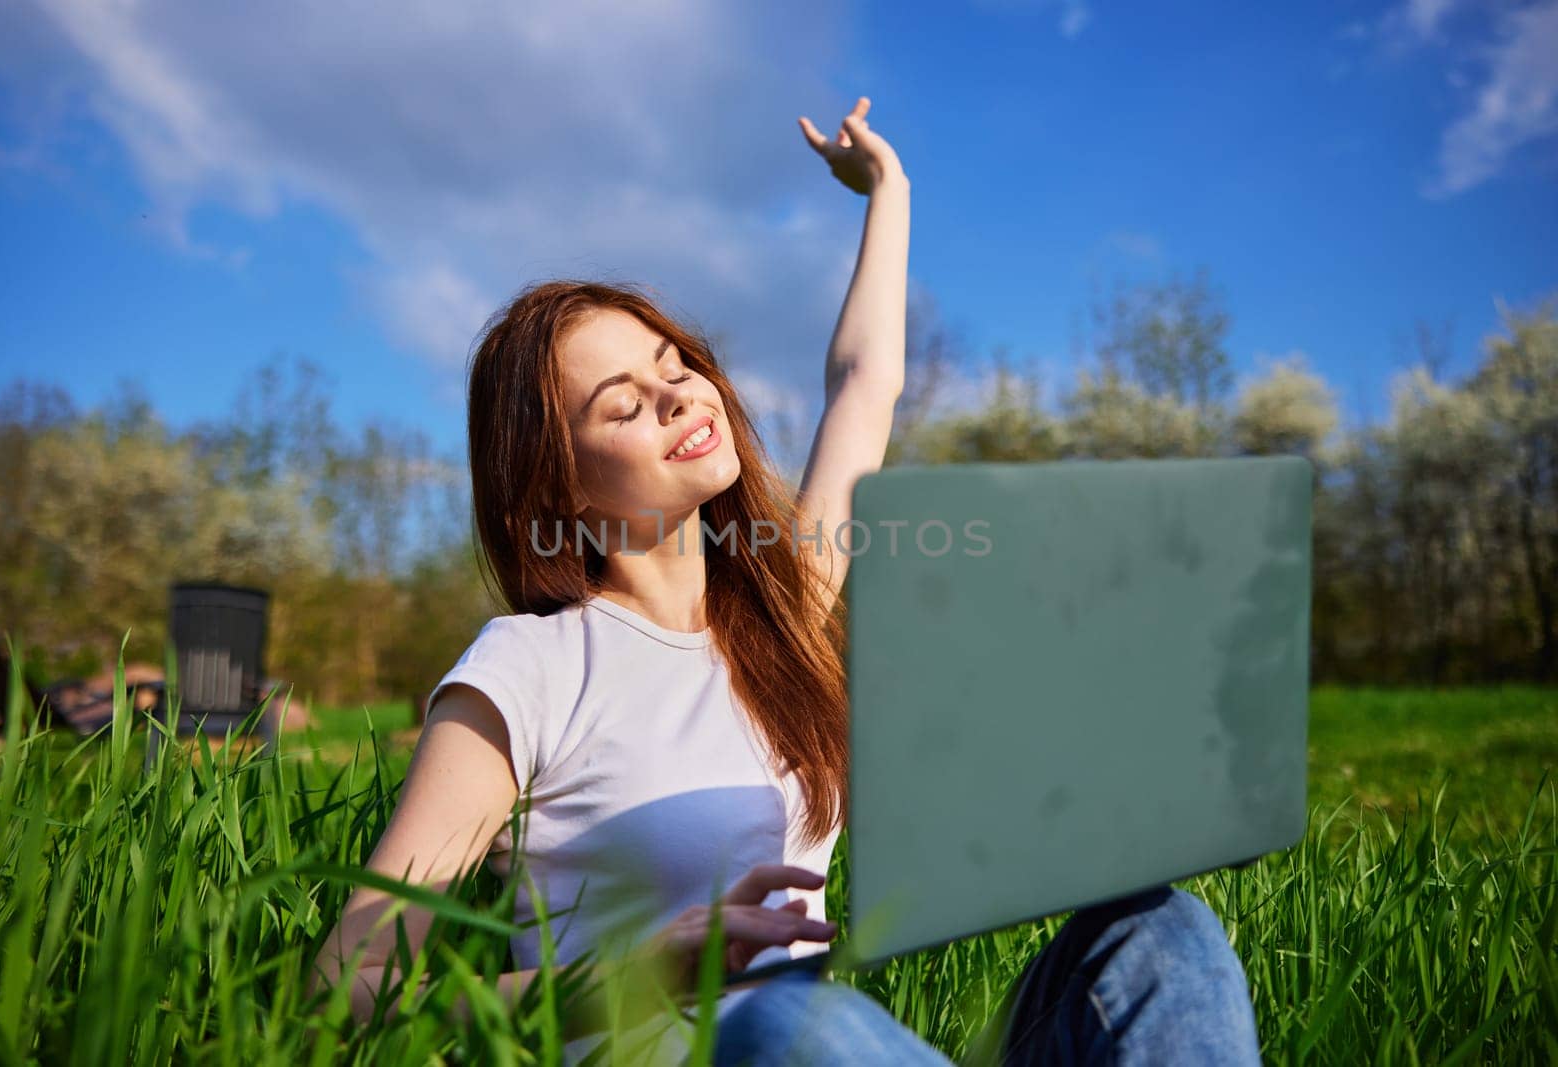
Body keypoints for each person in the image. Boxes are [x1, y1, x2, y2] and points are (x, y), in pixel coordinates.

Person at [306, 97, 1263, 1065]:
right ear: (557, 478)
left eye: (675, 362)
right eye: (624, 402)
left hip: (824, 1041)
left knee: (1159, 931)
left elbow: (863, 383)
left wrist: (885, 191)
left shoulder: (784, 608)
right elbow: (350, 987)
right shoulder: (528, 666)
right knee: (786, 1017)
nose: (680, 391)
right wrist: (649, 963)